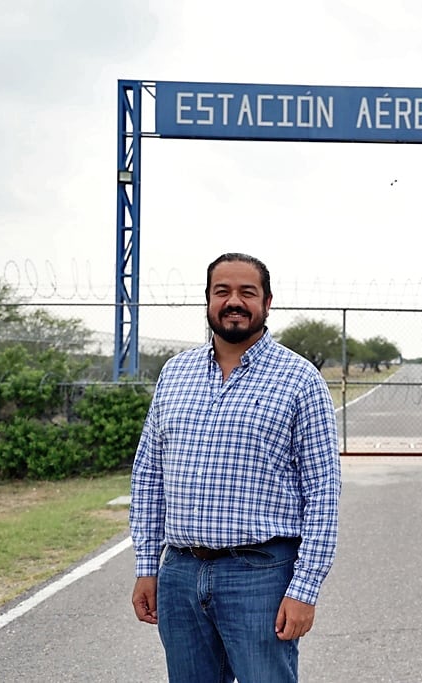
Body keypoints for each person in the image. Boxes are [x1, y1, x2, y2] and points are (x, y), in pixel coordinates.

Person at [129, 252, 341, 682]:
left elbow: (323, 493)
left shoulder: (299, 380)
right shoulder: (175, 374)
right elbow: (149, 476)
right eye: (222, 291)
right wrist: (147, 566)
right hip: (180, 575)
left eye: (248, 291)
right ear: (207, 299)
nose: (234, 301)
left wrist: (304, 589)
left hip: (260, 576)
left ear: (267, 301)